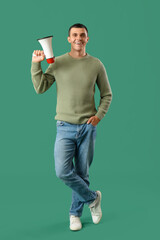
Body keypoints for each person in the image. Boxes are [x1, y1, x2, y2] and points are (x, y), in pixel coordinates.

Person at [31, 23, 112, 231]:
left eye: (82, 35)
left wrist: (98, 116)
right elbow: (41, 88)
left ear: (87, 38)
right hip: (64, 126)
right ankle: (93, 198)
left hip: (87, 126)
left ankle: (74, 214)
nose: (78, 38)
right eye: (74, 35)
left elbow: (107, 95)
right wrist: (35, 64)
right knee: (62, 171)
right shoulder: (57, 62)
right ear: (68, 39)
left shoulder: (96, 64)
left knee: (82, 172)